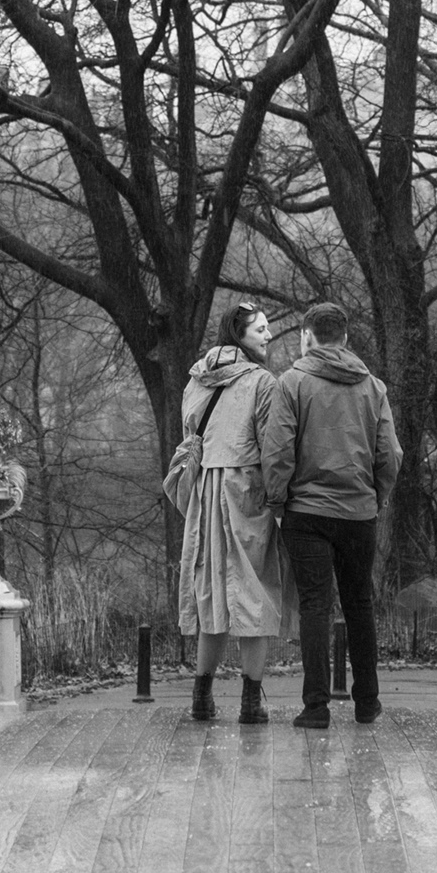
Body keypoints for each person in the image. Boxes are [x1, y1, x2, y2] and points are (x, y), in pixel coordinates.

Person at [261, 301, 402, 728]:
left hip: (306, 512)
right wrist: (376, 497)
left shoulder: (292, 383)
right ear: (345, 338)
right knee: (360, 604)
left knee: (315, 607)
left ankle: (316, 707)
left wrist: (278, 503)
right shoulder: (372, 387)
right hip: (358, 512)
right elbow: (390, 454)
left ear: (307, 336)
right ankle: (367, 703)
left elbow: (278, 450)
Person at [177, 302, 291, 724]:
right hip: (246, 490)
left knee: (212, 591)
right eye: (260, 329)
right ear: (238, 334)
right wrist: (279, 501)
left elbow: (189, 434)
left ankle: (201, 698)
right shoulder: (262, 382)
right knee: (253, 592)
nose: (268, 335)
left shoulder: (197, 378)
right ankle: (250, 702)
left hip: (205, 492)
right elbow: (272, 447)